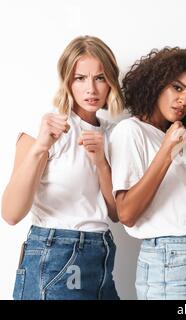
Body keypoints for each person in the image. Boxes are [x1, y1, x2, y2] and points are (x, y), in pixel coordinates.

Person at [1, 35, 124, 300]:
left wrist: (101, 162)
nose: (91, 89)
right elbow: (10, 213)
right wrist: (40, 147)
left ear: (111, 81)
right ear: (67, 80)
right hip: (58, 254)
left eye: (100, 78)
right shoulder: (49, 126)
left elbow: (115, 214)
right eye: (80, 78)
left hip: (101, 253)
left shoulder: (115, 134)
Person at [110, 47, 186, 300]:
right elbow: (126, 213)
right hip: (168, 259)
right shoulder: (130, 131)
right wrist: (167, 151)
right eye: (177, 88)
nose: (184, 101)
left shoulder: (176, 134)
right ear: (157, 83)